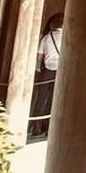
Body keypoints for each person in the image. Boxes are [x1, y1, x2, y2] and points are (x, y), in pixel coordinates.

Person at [30, 12, 64, 140]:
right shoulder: (67, 36)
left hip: (47, 71)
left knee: (42, 98)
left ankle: (37, 127)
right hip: (61, 71)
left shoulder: (46, 38)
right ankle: (51, 127)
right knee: (56, 100)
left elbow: (39, 57)